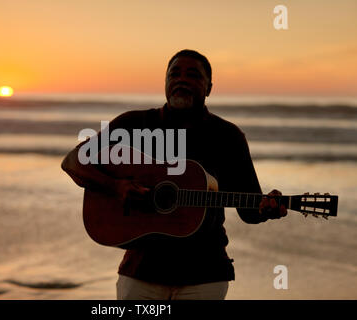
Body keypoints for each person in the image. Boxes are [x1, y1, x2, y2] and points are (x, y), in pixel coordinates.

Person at [61, 49, 287, 300]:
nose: (182, 80)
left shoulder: (228, 137)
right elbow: (72, 161)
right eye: (174, 74)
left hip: (205, 275)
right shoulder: (134, 125)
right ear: (166, 82)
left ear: (209, 87)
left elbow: (250, 209)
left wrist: (266, 208)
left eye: (193, 75)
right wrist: (115, 187)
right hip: (141, 272)